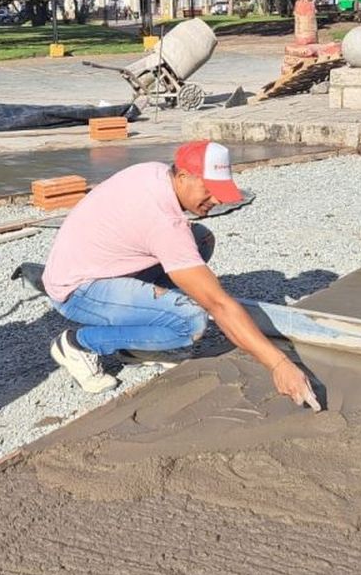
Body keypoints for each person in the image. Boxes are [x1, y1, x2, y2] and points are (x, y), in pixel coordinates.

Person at [40, 140, 321, 410]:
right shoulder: (165, 224)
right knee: (191, 322)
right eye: (209, 190)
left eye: (220, 191)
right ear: (184, 176)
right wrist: (279, 364)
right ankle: (79, 344)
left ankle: (136, 339)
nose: (216, 200)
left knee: (201, 240)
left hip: (90, 264)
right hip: (78, 291)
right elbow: (219, 305)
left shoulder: (155, 173)